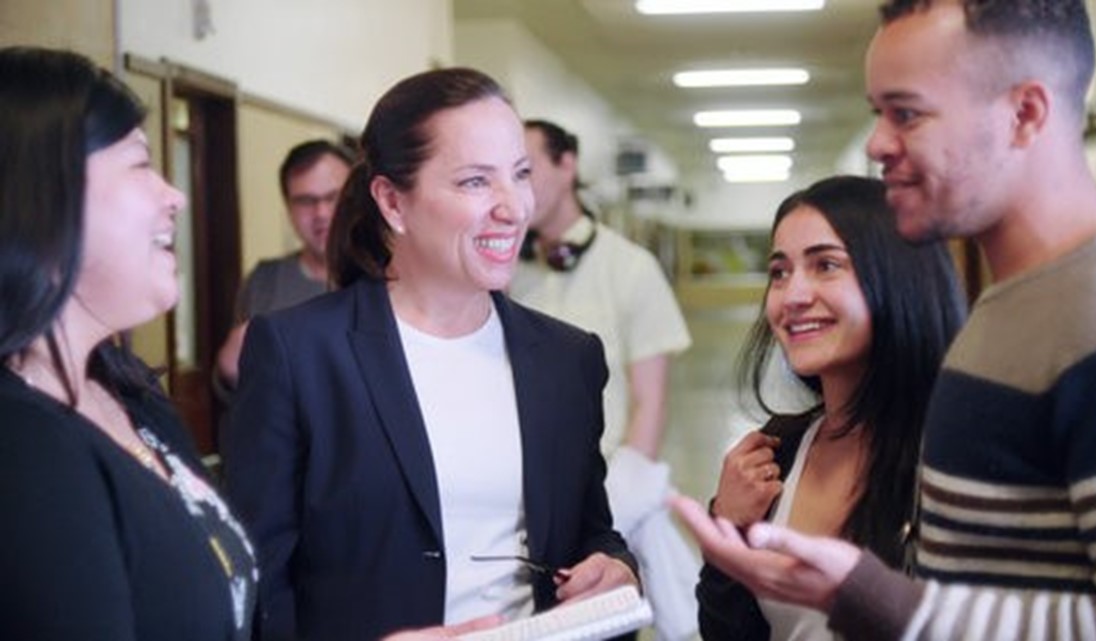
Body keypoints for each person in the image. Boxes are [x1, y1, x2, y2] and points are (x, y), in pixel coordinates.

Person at [673, 1, 1096, 639]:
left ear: (1024, 114)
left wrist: (873, 598)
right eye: (878, 114)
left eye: (908, 114)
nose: (877, 144)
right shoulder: (1001, 321)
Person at [220, 67, 640, 641]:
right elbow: (255, 583)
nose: (513, 207)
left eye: (519, 175)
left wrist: (613, 565)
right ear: (393, 202)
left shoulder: (566, 360)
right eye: (474, 182)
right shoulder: (301, 355)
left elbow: (590, 528)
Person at [0, 45, 258, 641]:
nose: (176, 196)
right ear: (44, 195)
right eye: (142, 164)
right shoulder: (21, 448)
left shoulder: (127, 389)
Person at [696, 176, 965, 641]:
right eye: (779, 272)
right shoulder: (776, 452)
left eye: (826, 265)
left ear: (896, 277)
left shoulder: (954, 455)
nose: (793, 295)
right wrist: (729, 528)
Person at [511, 119, 695, 641]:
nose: (517, 188)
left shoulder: (631, 269)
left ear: (567, 165)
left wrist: (617, 504)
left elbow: (650, 401)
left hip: (601, 497)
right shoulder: (505, 271)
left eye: (527, 169)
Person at [214, 139, 353, 391]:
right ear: (288, 208)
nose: (321, 213)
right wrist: (227, 371)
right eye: (306, 201)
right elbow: (235, 386)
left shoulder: (388, 278)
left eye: (333, 197)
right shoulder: (264, 281)